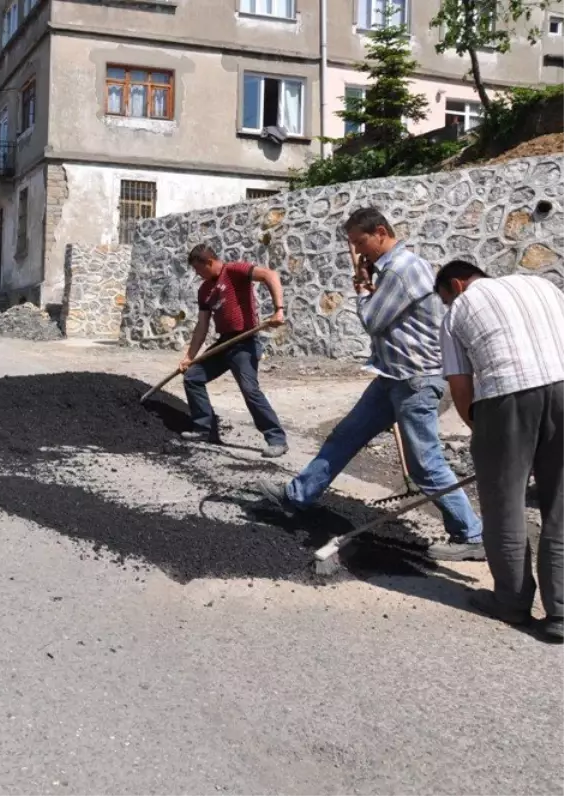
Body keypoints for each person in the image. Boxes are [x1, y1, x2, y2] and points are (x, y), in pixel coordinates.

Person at [256, 207, 483, 561]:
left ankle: (471, 534)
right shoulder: (391, 268)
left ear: (380, 232)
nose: (360, 251)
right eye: (354, 245)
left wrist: (362, 290)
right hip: (392, 376)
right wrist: (367, 281)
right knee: (345, 435)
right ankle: (297, 496)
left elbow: (373, 320)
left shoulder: (401, 269)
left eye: (361, 243)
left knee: (425, 462)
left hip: (415, 380)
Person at [435, 260, 564, 639]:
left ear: (457, 285)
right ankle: (561, 614)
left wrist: (487, 437)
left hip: (506, 397)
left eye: (444, 299)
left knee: (503, 503)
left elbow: (461, 387)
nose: (446, 305)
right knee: (560, 503)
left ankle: (511, 602)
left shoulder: (458, 310)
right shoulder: (543, 286)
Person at [180, 244, 288, 458]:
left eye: (198, 269)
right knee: (192, 377)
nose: (197, 274)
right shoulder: (204, 290)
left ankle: (276, 439)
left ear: (209, 262)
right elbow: (202, 326)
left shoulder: (234, 270)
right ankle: (204, 429)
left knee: (249, 389)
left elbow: (269, 274)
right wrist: (189, 357)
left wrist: (279, 310)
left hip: (245, 341)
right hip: (224, 344)